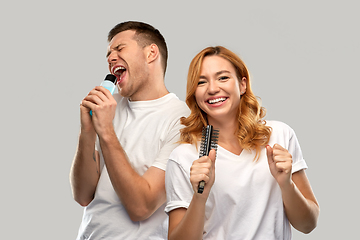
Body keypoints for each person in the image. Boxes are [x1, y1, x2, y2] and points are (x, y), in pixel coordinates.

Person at [165, 46, 320, 239]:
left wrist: (286, 184)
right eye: (201, 82)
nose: (213, 89)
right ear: (194, 94)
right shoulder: (183, 158)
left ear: (242, 84)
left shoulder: (280, 136)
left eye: (223, 78)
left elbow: (308, 224)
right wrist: (199, 197)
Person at [70, 21, 189, 239]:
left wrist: (105, 130)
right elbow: (83, 195)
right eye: (108, 53)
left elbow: (141, 207)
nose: (110, 58)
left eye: (120, 48)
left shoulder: (182, 119)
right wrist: (87, 133)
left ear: (151, 53)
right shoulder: (109, 106)